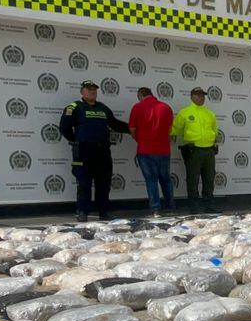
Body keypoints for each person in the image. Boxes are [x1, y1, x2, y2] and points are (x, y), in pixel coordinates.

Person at [59, 80, 127, 222]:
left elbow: (115, 124)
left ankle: (104, 212)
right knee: (84, 183)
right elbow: (64, 127)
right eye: (89, 89)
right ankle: (82, 211)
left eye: (94, 90)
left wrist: (133, 129)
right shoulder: (74, 107)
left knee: (104, 183)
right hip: (84, 151)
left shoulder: (103, 108)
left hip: (102, 151)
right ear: (82, 92)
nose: (92, 92)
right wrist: (76, 141)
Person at [127, 86, 175, 214]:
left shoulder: (137, 107)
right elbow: (170, 129)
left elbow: (132, 129)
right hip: (164, 149)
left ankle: (155, 209)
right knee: (166, 179)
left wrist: (140, 140)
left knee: (151, 180)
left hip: (145, 149)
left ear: (140, 95)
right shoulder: (166, 107)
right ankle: (170, 207)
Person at [171, 86, 219, 213]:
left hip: (209, 150)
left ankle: (209, 206)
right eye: (198, 95)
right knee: (193, 179)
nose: (201, 97)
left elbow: (215, 130)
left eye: (203, 95)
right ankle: (194, 207)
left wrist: (213, 141)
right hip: (193, 150)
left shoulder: (209, 113)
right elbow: (175, 129)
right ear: (192, 96)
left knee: (209, 178)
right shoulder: (184, 113)